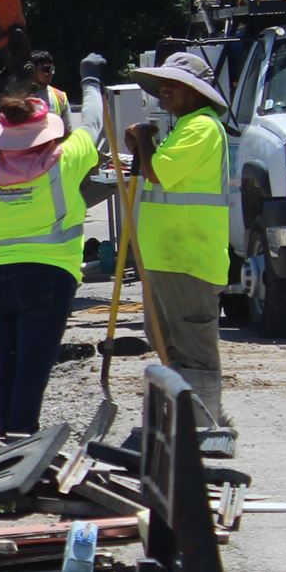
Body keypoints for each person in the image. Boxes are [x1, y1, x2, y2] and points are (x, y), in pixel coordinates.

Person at [0, 89, 100, 437]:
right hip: (50, 278)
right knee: (34, 365)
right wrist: (92, 83)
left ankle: (6, 434)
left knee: (9, 363)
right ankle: (21, 435)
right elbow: (94, 124)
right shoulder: (65, 161)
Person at [125, 52, 232, 428]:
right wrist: (142, 144)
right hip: (168, 254)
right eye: (164, 85)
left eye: (175, 85)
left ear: (196, 92)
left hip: (189, 254)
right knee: (165, 339)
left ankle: (204, 427)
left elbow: (159, 173)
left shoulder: (201, 126)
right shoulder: (185, 126)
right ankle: (187, 418)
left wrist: (142, 139)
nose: (165, 91)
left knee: (193, 345)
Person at [29, 49, 74, 125]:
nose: (50, 73)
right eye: (45, 70)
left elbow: (68, 131)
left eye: (52, 69)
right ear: (33, 70)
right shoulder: (20, 97)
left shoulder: (60, 96)